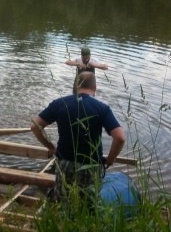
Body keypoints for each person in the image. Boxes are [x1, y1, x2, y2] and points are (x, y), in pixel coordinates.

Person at [31, 71, 126, 207]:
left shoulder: (59, 103)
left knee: (63, 202)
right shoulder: (102, 108)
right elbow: (120, 138)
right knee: (88, 205)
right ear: (95, 88)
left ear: (76, 86)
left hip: (64, 163)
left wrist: (51, 147)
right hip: (90, 166)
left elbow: (35, 126)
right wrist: (110, 160)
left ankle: (63, 223)